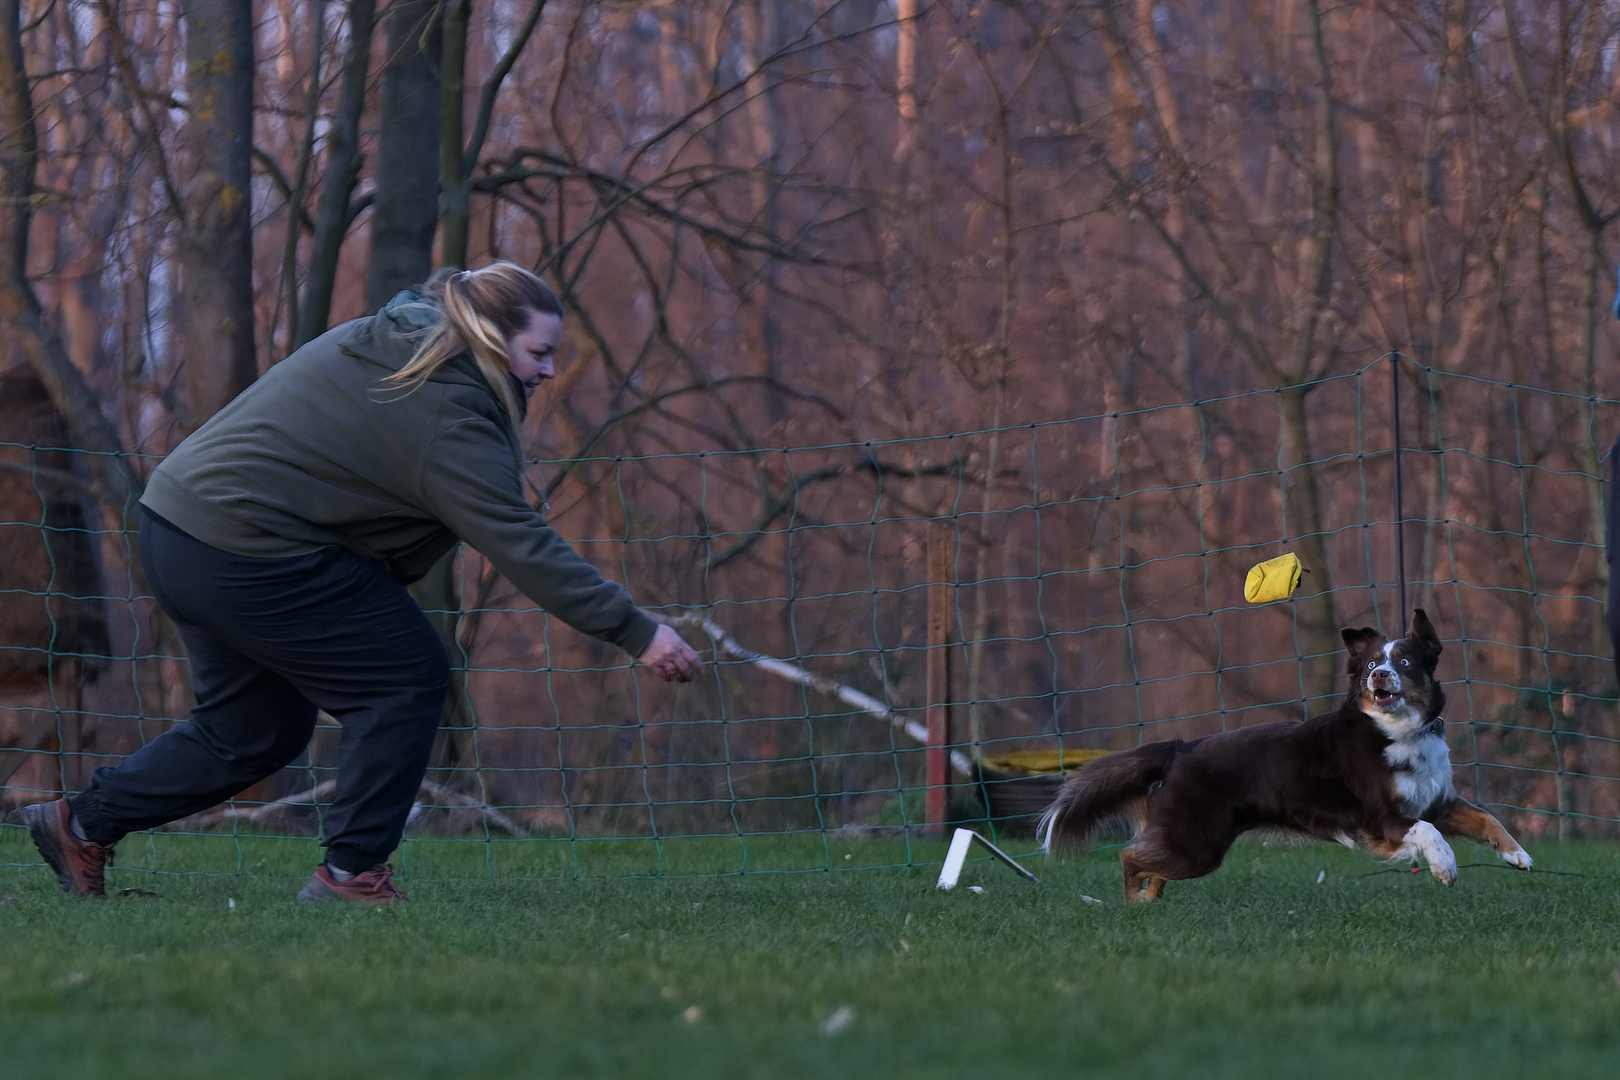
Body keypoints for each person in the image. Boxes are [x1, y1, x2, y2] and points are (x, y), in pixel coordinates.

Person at [24, 261, 702, 904]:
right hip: (245, 544)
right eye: (540, 351)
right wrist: (637, 631)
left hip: (179, 527)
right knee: (404, 678)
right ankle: (350, 872)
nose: (550, 370)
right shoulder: (446, 410)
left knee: (250, 733)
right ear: (493, 339)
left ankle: (80, 824)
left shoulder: (400, 338)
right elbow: (523, 545)